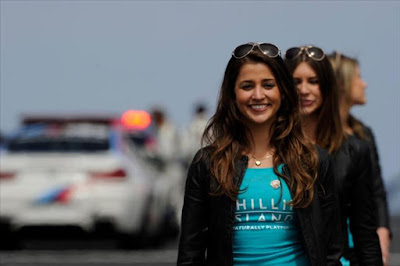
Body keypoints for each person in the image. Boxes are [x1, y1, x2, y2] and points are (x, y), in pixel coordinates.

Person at [178, 42, 342, 265]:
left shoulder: (313, 161)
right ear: (232, 94)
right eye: (247, 86)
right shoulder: (208, 164)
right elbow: (190, 254)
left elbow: (332, 250)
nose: (258, 95)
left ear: (283, 91)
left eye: (268, 85)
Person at [284, 45, 382, 265]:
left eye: (313, 81)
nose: (304, 90)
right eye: (295, 81)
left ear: (327, 88)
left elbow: (365, 232)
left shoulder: (354, 150)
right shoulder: (269, 149)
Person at [328, 51, 391, 266]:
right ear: (343, 84)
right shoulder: (317, 137)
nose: (364, 84)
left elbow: (377, 191)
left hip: (363, 242)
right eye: (358, 77)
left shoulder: (363, 133)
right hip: (336, 246)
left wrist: (382, 235)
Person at [181, 103, 209, 168]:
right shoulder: (209, 124)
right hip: (204, 154)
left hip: (194, 154)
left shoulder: (191, 125)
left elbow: (186, 141)